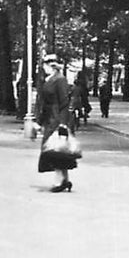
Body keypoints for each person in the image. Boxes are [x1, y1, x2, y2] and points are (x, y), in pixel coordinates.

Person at [35, 53, 76, 193]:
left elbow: (64, 103)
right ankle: (65, 179)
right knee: (59, 149)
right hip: (51, 118)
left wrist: (63, 124)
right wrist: (40, 121)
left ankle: (59, 181)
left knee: (55, 150)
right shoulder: (50, 79)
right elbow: (45, 104)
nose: (43, 68)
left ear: (50, 65)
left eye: (44, 65)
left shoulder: (60, 80)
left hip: (57, 119)